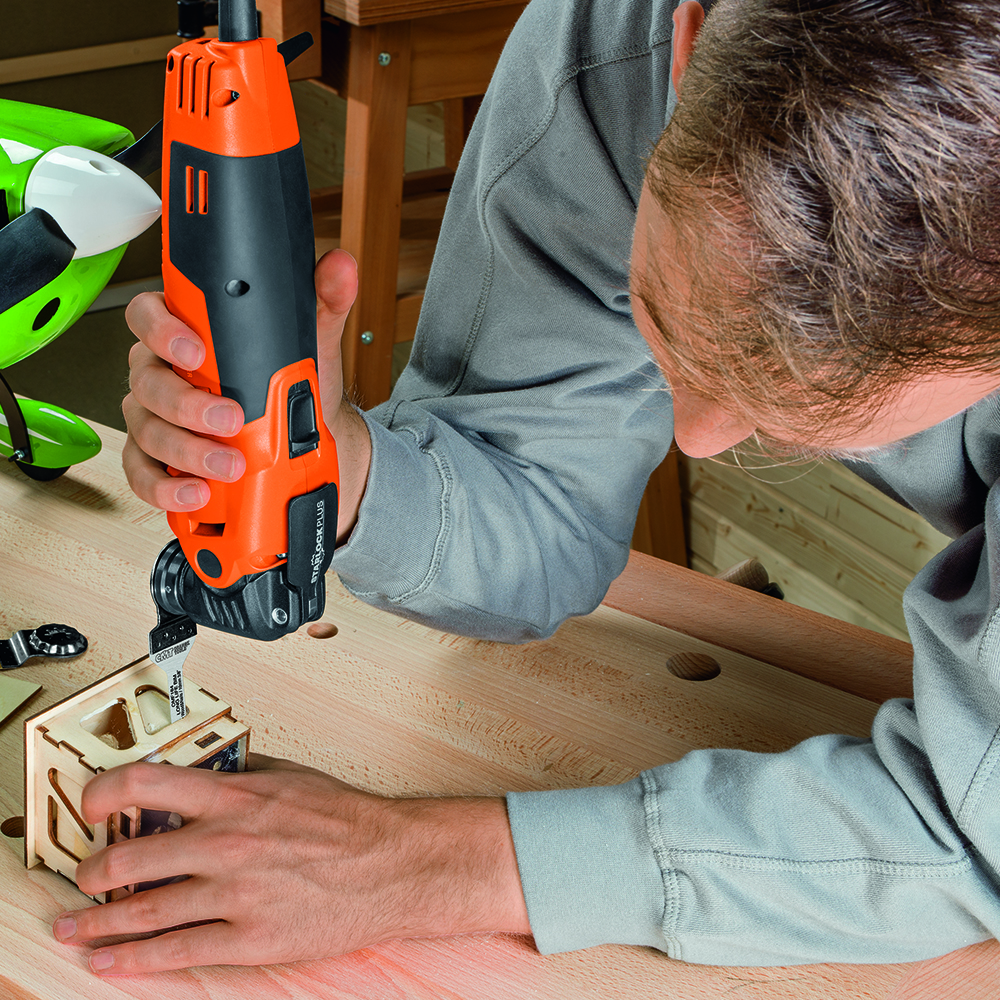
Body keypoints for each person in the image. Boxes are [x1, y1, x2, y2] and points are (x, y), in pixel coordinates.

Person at [50, 0, 1000, 975]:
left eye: (791, 414)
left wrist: (439, 865)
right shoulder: (616, 57)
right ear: (687, 49)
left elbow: (982, 835)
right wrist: (339, 465)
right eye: (673, 317)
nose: (694, 436)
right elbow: (542, 496)